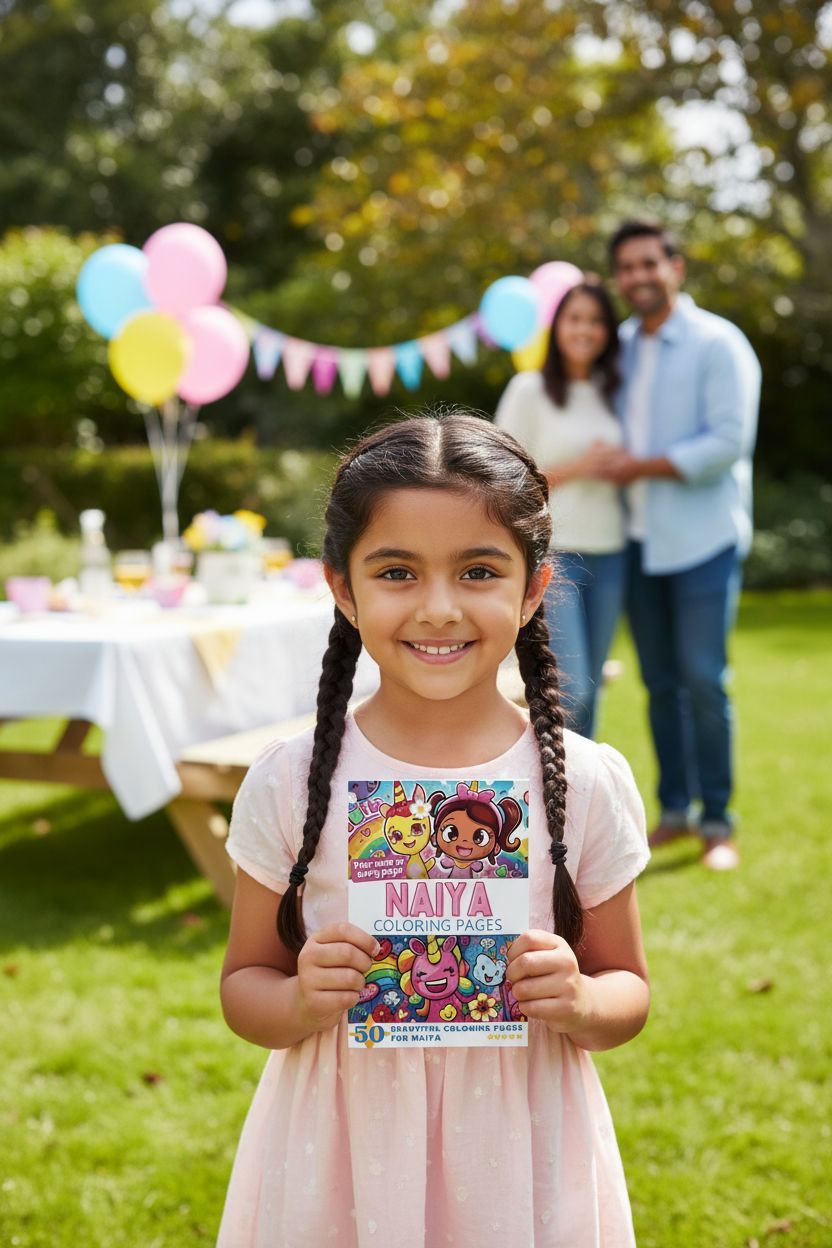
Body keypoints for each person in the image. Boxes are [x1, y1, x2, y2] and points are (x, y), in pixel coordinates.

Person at [217, 411, 650, 1248]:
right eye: (398, 572)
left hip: (522, 1149)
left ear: (532, 588)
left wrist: (582, 998)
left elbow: (627, 990)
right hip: (339, 1149)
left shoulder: (587, 783)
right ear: (342, 586)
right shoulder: (290, 779)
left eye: (479, 570)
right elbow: (245, 986)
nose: (440, 608)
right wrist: (301, 997)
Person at [602, 220, 761, 871]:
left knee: (702, 680)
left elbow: (727, 443)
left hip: (703, 541)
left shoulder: (719, 344)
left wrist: (642, 466)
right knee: (659, 682)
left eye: (649, 264)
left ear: (677, 268)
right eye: (627, 268)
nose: (638, 277)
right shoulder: (616, 347)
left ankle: (718, 822)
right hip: (633, 541)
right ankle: (673, 812)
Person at [494, 280, 625, 738]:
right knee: (570, 690)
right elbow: (502, 475)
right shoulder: (529, 390)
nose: (585, 329)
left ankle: (584, 802)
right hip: (555, 552)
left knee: (593, 689)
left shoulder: (617, 390)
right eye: (575, 318)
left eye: (596, 320)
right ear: (557, 326)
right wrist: (578, 468)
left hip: (612, 550)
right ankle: (551, 791)